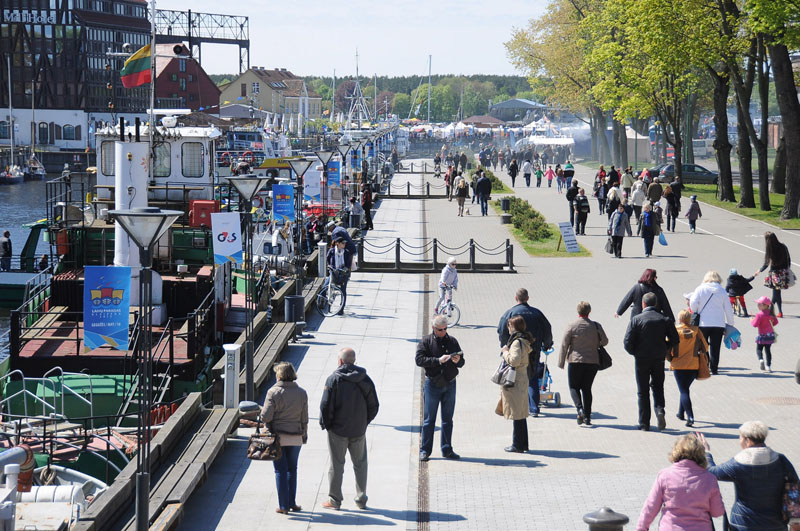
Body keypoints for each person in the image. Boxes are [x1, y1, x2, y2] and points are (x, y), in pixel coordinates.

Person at [701, 421, 799, 531]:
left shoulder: (737, 463)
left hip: (744, 524)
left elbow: (712, 472)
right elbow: (795, 487)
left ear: (748, 441)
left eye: (740, 438)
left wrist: (706, 453)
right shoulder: (781, 460)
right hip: (775, 524)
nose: (739, 441)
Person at [319, 348, 379, 510]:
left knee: (336, 465)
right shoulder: (364, 379)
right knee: (360, 464)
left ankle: (335, 500)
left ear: (340, 361)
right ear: (354, 361)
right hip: (358, 430)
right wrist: (364, 422)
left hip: (338, 430)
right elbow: (374, 405)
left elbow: (325, 405)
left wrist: (327, 424)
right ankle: (361, 499)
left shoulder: (333, 379)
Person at [637, 434, 725, 531]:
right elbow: (717, 512)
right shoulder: (710, 479)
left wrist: (641, 528)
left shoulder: (665, 475)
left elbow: (650, 507)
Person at [623, 292, 680, 431]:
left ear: (643, 304)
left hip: (641, 359)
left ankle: (644, 423)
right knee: (658, 386)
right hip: (658, 358)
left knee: (642, 391)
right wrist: (664, 348)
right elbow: (675, 339)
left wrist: (635, 352)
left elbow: (627, 342)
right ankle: (660, 410)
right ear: (655, 304)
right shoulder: (664, 319)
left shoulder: (636, 319)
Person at [260, 362, 308, 515]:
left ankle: (283, 506)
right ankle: (292, 502)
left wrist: (262, 414)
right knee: (292, 469)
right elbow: (304, 418)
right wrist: (304, 433)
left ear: (279, 375)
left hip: (278, 438)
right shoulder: (302, 392)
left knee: (280, 470)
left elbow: (266, 416)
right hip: (296, 437)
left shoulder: (273, 392)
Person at [497, 288, 553, 417]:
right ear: (527, 298)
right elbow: (547, 328)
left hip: (515, 349)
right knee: (532, 376)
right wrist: (547, 344)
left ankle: (515, 405)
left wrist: (504, 346)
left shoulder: (510, 313)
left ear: (516, 298)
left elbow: (501, 330)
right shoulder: (537, 313)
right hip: (533, 349)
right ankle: (534, 408)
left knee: (513, 376)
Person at [416, 315, 465, 461]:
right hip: (432, 384)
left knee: (447, 419)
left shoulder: (452, 341)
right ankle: (425, 450)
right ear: (433, 328)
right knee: (429, 420)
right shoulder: (426, 341)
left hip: (450, 383)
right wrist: (437, 361)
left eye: (445, 329)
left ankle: (447, 449)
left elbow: (462, 362)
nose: (443, 332)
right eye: (440, 330)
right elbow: (419, 360)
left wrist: (458, 360)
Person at [558, 301, 608, 426]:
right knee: (587, 388)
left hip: (575, 361)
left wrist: (561, 362)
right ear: (589, 311)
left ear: (578, 311)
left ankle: (579, 409)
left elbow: (564, 344)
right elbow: (605, 341)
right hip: (592, 362)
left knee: (574, 387)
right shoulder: (596, 326)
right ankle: (587, 417)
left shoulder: (572, 326)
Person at [689, 271, 734, 375]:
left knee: (703, 346)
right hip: (718, 324)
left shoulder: (700, 289)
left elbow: (693, 304)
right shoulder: (722, 291)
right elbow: (728, 308)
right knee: (716, 347)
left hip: (703, 323)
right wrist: (730, 323)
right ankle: (714, 368)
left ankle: (705, 365)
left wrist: (696, 310)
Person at [499, 316, 533, 452]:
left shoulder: (516, 342)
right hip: (522, 378)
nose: (508, 328)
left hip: (516, 380)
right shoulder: (524, 339)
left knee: (517, 414)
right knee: (521, 413)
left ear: (513, 327)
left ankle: (517, 445)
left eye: (509, 326)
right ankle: (523, 444)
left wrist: (505, 352)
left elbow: (514, 361)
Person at [671, 310, 708, 427]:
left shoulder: (675, 331)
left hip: (678, 364)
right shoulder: (697, 331)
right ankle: (681, 413)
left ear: (680, 319)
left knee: (683, 391)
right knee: (685, 389)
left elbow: (668, 347)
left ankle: (690, 417)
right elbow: (705, 347)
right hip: (693, 364)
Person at [753, 231, 792, 318]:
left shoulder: (770, 249)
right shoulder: (783, 246)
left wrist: (759, 271)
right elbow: (788, 259)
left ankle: (769, 311)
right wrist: (787, 269)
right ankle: (778, 311)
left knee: (775, 294)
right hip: (783, 272)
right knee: (777, 293)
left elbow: (766, 264)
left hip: (775, 274)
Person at [751, 295, 778, 372]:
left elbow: (754, 325)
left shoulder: (759, 314)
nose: (758, 305)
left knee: (759, 349)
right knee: (768, 351)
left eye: (760, 304)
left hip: (762, 336)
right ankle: (768, 366)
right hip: (770, 336)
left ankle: (761, 360)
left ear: (765, 305)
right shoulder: (771, 313)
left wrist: (752, 320)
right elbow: (775, 322)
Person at [326, 236, 353, 315]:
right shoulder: (331, 251)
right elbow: (328, 259)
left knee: (343, 290)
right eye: (342, 243)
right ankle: (326, 303)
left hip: (343, 273)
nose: (344, 244)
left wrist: (345, 269)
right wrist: (331, 267)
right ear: (337, 244)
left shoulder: (346, 252)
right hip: (334, 272)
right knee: (328, 286)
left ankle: (341, 308)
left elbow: (348, 264)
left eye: (345, 243)